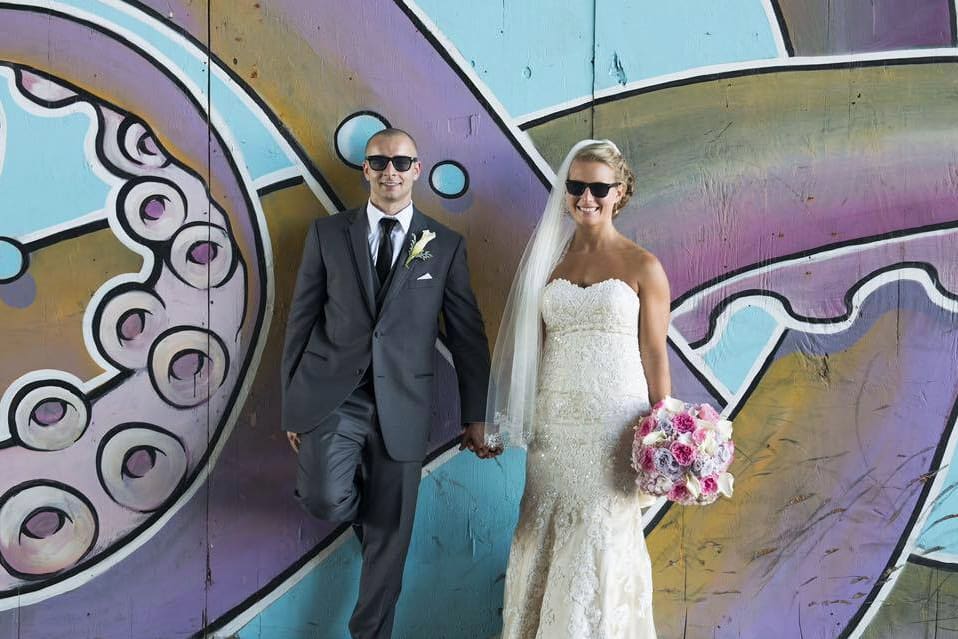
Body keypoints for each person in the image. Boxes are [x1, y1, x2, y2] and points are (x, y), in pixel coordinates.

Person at [281, 128, 494, 639]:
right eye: (379, 161)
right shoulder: (327, 234)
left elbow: (466, 334)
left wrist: (477, 414)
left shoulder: (445, 245)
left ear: (417, 169)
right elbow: (300, 320)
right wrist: (293, 405)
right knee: (324, 497)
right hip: (335, 398)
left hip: (406, 404)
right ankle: (379, 519)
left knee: (390, 544)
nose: (390, 171)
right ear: (366, 169)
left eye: (401, 162)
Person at [487, 139, 671, 637]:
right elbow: (532, 350)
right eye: (575, 187)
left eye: (598, 188)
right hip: (555, 428)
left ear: (620, 192)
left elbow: (655, 352)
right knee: (542, 531)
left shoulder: (643, 266)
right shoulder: (547, 265)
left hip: (615, 429)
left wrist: (667, 429)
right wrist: (509, 416)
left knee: (601, 538)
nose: (586, 198)